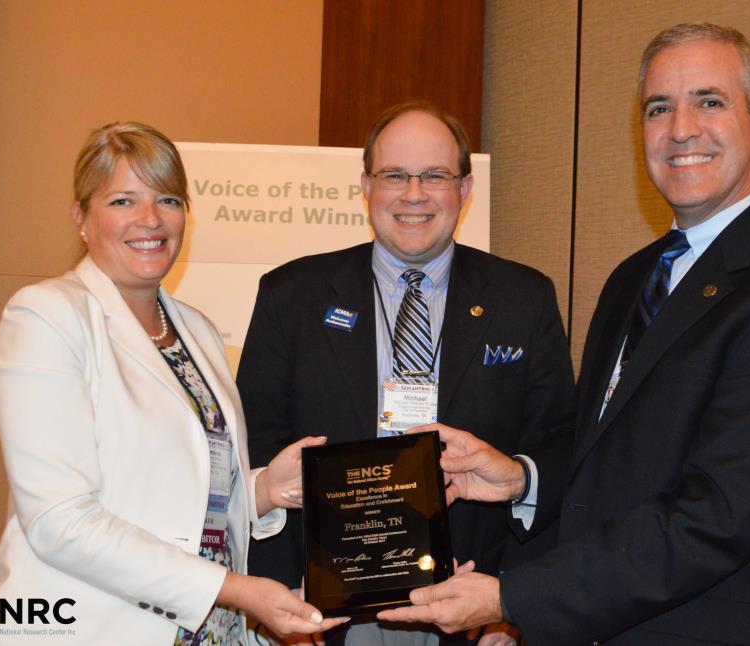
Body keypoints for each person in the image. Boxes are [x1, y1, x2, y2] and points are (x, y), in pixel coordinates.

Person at [378, 23, 750, 645]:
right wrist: (524, 480)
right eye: (658, 108)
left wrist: (515, 596)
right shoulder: (633, 278)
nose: (681, 128)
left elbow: (718, 516)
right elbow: (606, 463)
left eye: (709, 102)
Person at [0, 122, 348, 645]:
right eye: (123, 200)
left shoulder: (195, 329)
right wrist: (238, 590)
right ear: (81, 218)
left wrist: (264, 490)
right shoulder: (46, 317)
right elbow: (60, 522)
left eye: (168, 199)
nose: (150, 219)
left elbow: (190, 506)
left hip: (205, 631)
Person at [236, 102, 574, 645]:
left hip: (469, 600)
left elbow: (556, 447)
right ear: (366, 185)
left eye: (435, 176)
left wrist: (511, 602)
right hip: (322, 609)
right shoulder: (290, 296)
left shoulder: (524, 298)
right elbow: (255, 451)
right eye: (394, 175)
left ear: (465, 189)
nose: (413, 194)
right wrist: (276, 605)